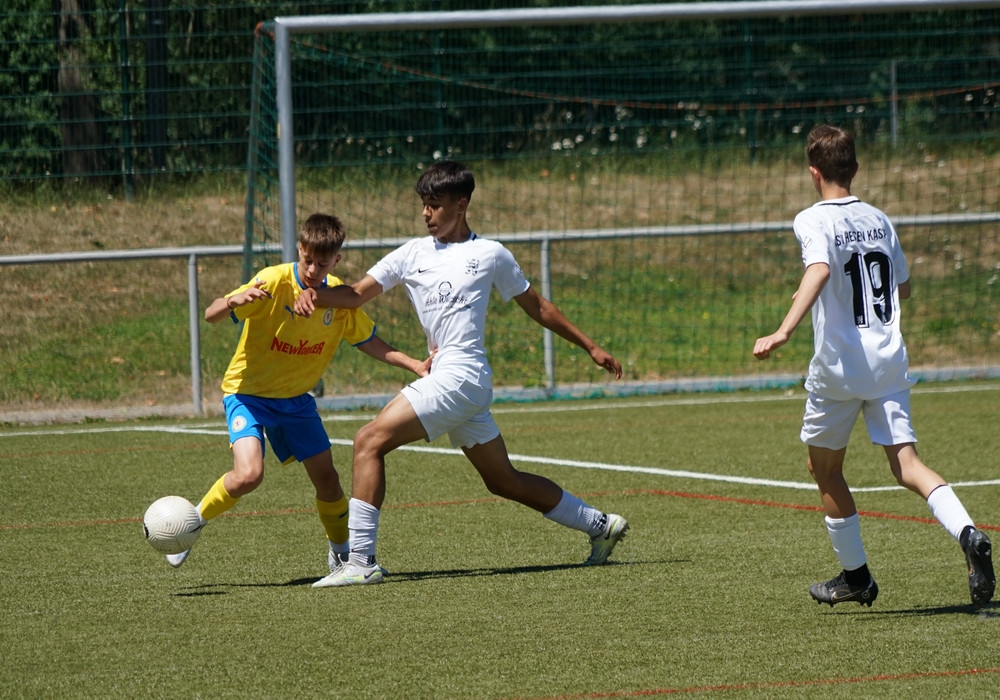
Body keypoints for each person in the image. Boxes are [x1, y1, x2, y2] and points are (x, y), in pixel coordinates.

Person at [295, 160, 629, 587]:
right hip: (456, 380)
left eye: (435, 205)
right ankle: (600, 524)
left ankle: (360, 562)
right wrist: (313, 294)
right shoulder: (412, 253)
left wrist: (591, 346)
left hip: (462, 374)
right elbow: (356, 295)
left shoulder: (490, 254)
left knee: (368, 441)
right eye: (423, 204)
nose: (426, 213)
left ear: (461, 204)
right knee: (503, 480)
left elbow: (538, 306)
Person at [753, 125, 994, 608]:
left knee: (824, 469)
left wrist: (783, 330)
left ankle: (856, 577)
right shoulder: (879, 219)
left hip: (840, 368)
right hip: (887, 360)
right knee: (908, 464)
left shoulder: (811, 218)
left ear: (813, 173)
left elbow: (820, 269)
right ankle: (969, 533)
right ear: (856, 169)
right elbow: (902, 287)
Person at [162, 213, 431, 578]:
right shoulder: (273, 281)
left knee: (329, 481)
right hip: (248, 395)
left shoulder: (336, 296)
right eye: (309, 261)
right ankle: (191, 524)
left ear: (336, 260)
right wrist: (235, 300)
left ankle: (341, 555)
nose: (314, 270)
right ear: (300, 249)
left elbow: (368, 341)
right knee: (249, 475)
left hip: (296, 401)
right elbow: (211, 314)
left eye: (323, 263)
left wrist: (414, 364)